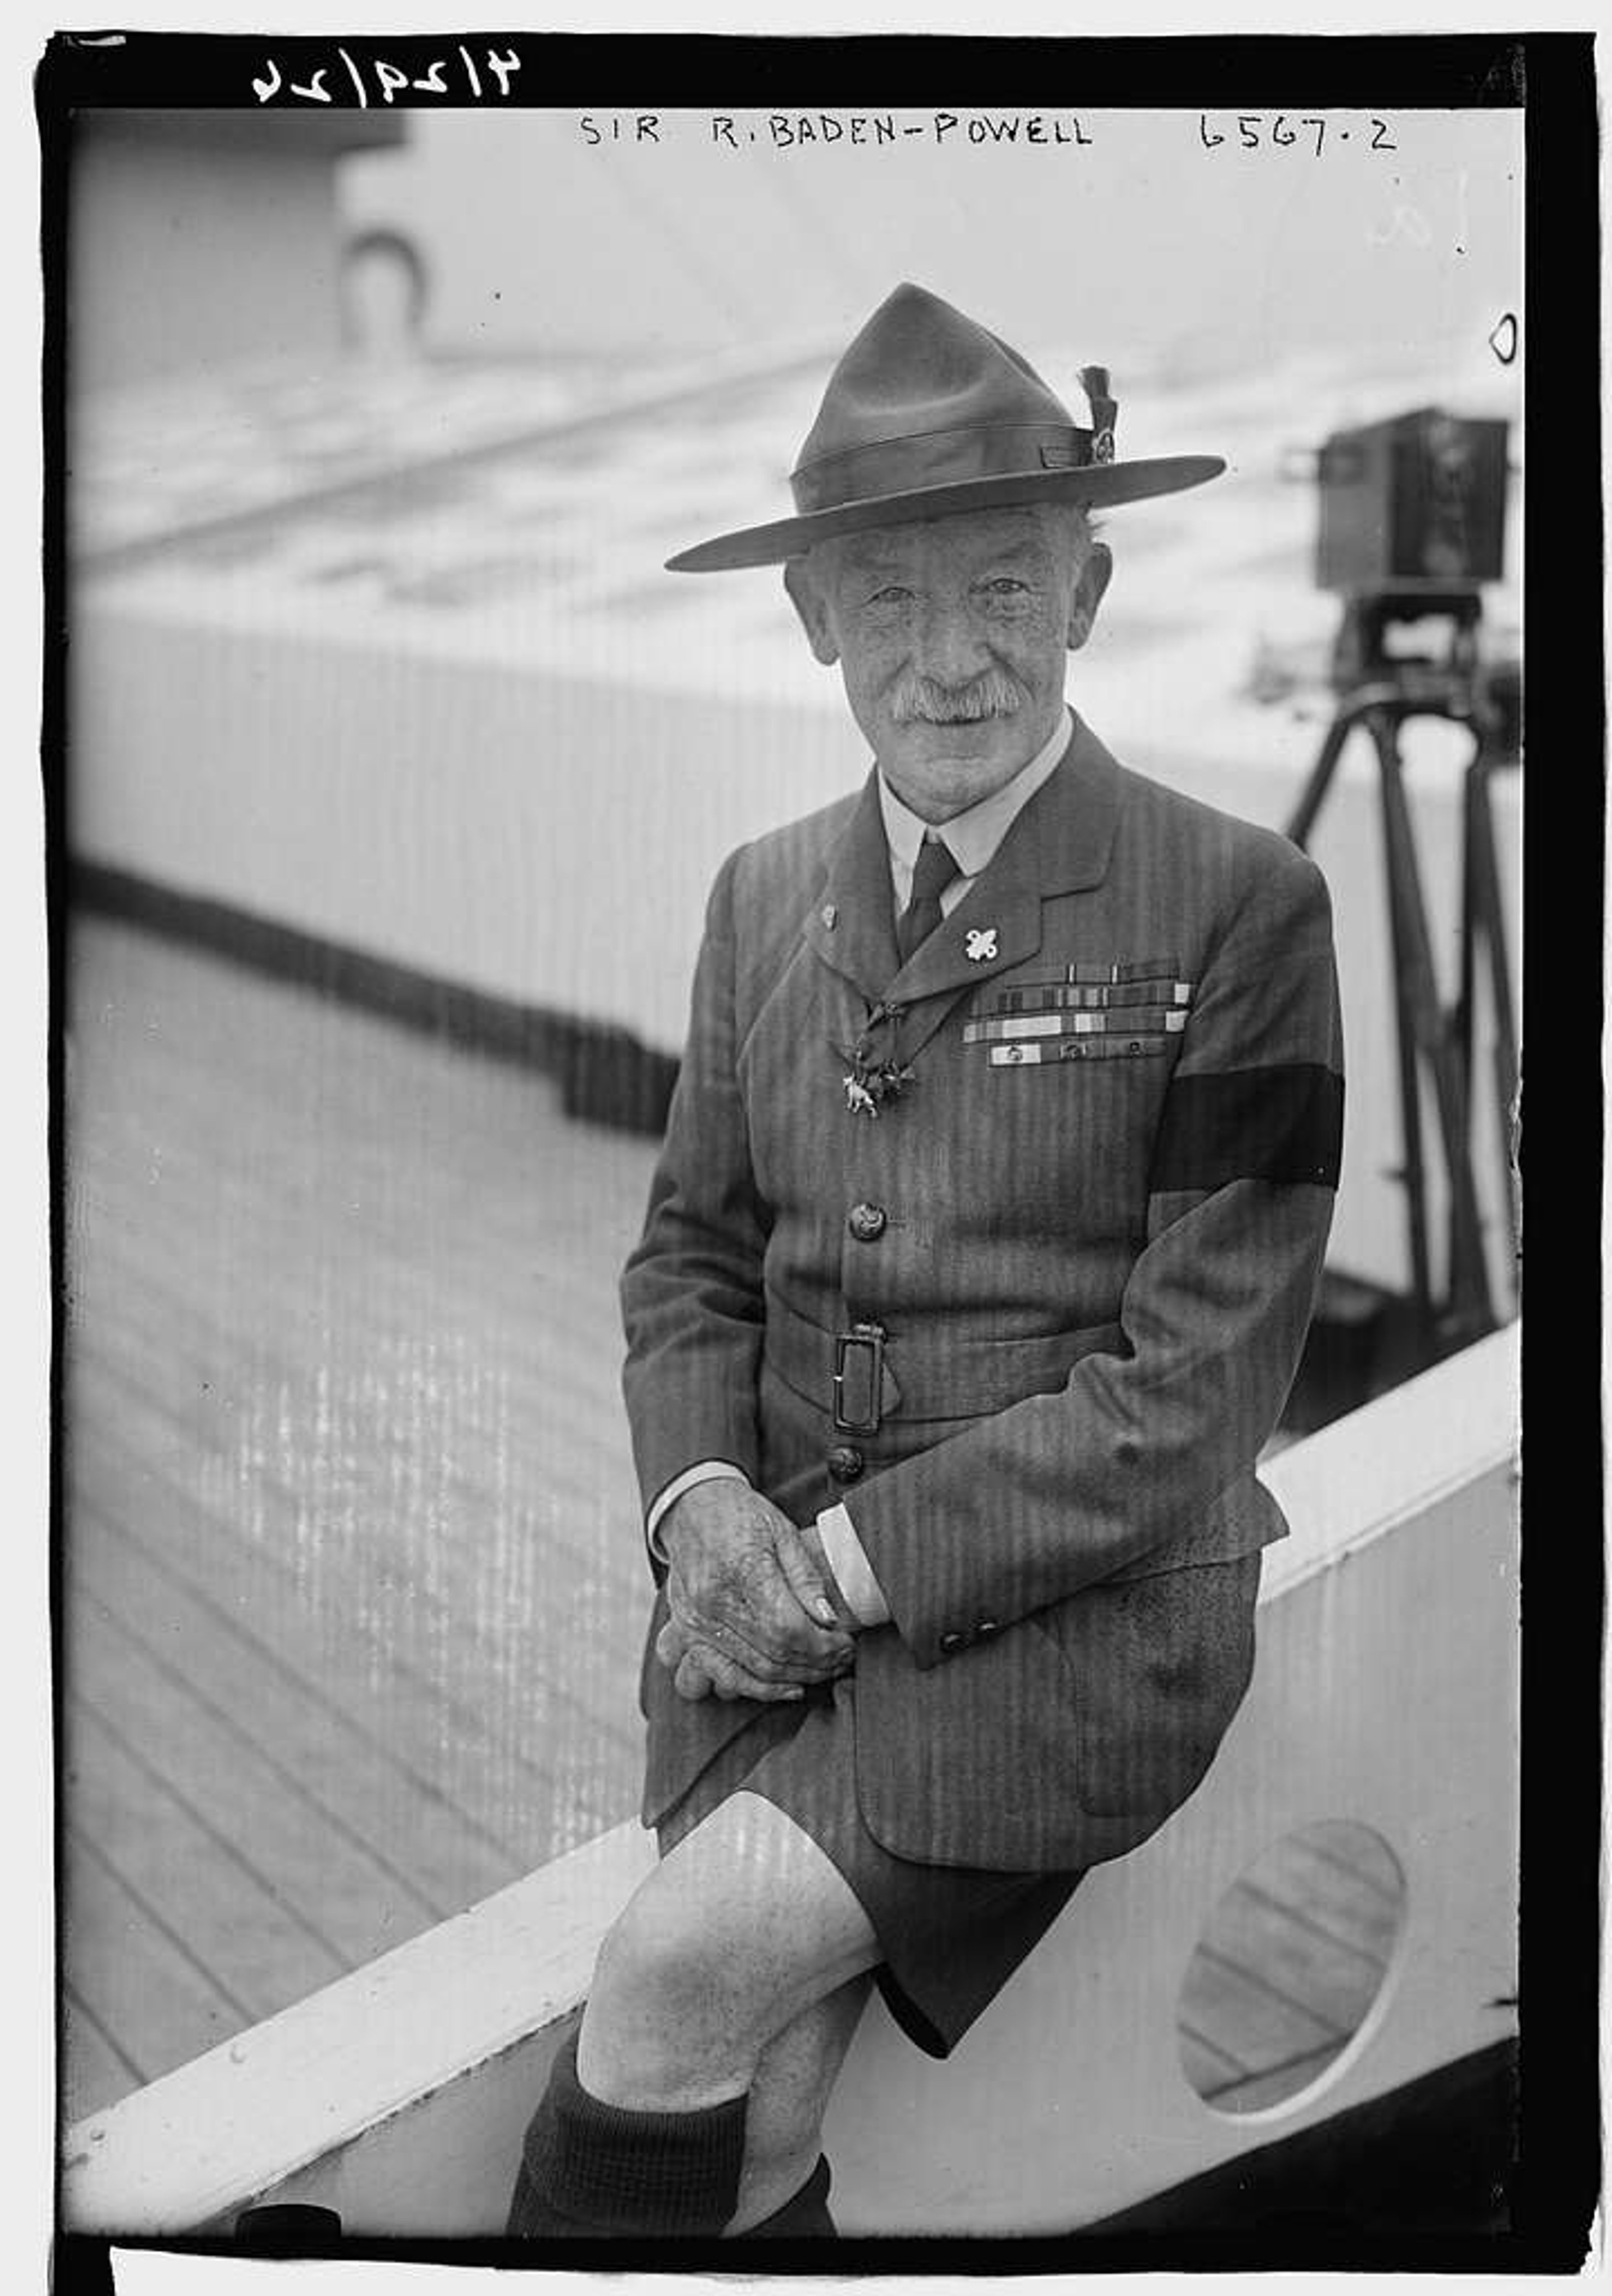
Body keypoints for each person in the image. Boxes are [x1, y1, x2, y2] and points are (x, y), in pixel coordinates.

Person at [506, 283, 1344, 2241]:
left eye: (1002, 589)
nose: (951, 662)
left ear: (1090, 588)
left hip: (1078, 1631)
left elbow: (1198, 1395)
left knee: (668, 1982)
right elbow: (691, 1268)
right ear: (814, 621)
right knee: (765, 2096)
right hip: (765, 1626)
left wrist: (848, 1566)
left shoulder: (1240, 903)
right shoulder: (760, 897)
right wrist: (700, 1503)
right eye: (887, 602)